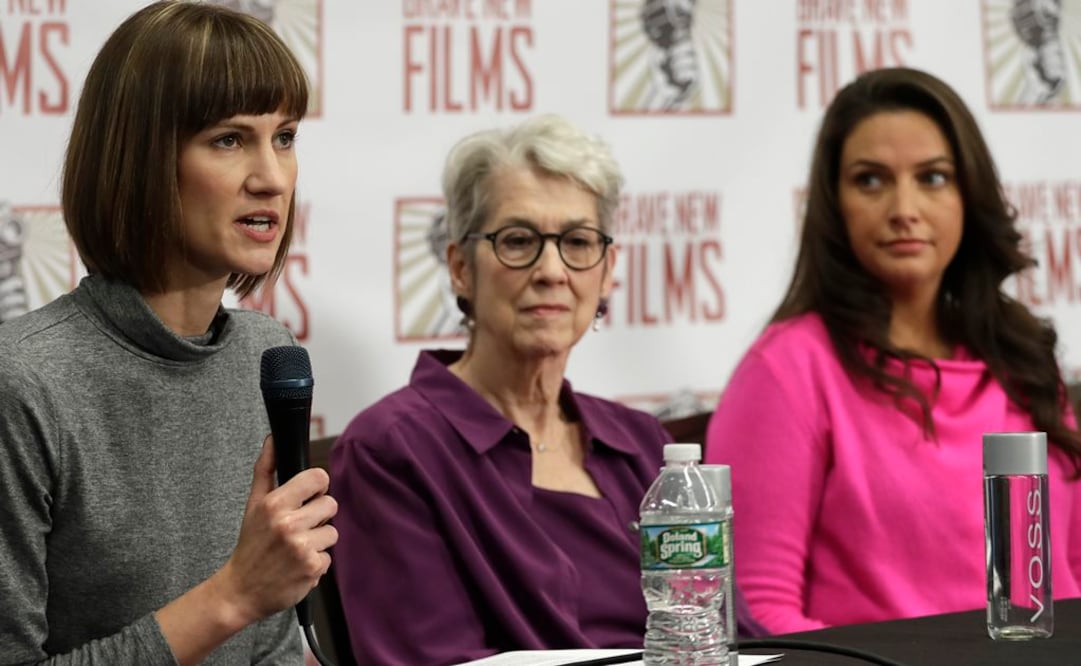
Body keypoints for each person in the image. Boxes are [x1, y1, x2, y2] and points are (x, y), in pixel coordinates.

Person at [331, 114, 758, 665]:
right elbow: (425, 657)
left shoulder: (643, 444)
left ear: (607, 271)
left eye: (578, 242)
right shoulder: (392, 449)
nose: (552, 270)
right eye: (518, 241)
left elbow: (737, 637)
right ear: (461, 267)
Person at [0, 3, 337, 664]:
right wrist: (233, 595)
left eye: (286, 136)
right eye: (229, 139)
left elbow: (271, 644)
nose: (272, 177)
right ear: (140, 157)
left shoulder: (266, 352)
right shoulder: (25, 382)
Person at [704, 66, 1081, 635]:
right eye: (871, 180)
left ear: (968, 193)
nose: (904, 208)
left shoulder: (1022, 352)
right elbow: (756, 612)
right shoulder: (787, 370)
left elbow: (1071, 571)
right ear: (834, 203)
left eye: (932, 178)